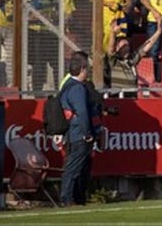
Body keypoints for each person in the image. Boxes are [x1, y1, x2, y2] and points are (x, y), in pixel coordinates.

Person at [59, 51, 99, 208]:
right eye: (87, 68)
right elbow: (82, 112)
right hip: (78, 134)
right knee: (74, 167)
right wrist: (87, 133)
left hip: (74, 132)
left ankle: (75, 197)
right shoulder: (77, 88)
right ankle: (67, 198)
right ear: (83, 69)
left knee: (79, 166)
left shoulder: (68, 85)